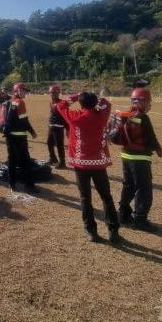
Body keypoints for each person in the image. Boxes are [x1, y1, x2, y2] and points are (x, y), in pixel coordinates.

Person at [57, 92, 120, 243]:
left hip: (81, 164)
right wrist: (98, 99)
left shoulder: (75, 117)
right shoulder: (102, 116)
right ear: (94, 103)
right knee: (106, 197)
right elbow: (107, 104)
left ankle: (91, 231)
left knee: (85, 198)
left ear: (81, 103)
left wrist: (75, 96)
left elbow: (60, 105)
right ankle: (113, 231)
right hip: (98, 163)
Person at [118, 87, 162, 232]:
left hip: (125, 156)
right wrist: (158, 149)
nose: (150, 104)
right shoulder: (143, 116)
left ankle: (123, 214)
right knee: (144, 189)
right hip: (140, 158)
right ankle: (140, 219)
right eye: (149, 101)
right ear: (143, 101)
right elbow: (151, 137)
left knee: (129, 185)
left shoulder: (127, 114)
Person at [4, 82, 37, 193]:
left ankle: (12, 183)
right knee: (25, 161)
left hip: (9, 136)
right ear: (17, 91)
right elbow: (24, 121)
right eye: (23, 90)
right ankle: (29, 185)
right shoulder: (20, 102)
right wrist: (32, 132)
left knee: (12, 160)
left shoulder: (11, 102)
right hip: (19, 137)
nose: (25, 93)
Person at [46, 85, 67, 169]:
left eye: (54, 93)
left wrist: (67, 128)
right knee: (49, 143)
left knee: (59, 145)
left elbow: (66, 116)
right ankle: (53, 158)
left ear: (58, 93)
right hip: (51, 126)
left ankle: (62, 162)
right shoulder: (51, 102)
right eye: (51, 93)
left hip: (58, 127)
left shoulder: (61, 103)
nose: (52, 94)